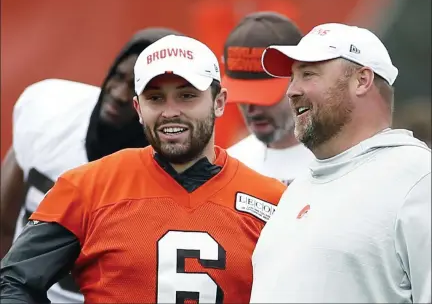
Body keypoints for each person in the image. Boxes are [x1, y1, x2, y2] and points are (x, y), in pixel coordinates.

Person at [0, 34, 286, 303]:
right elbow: (14, 282)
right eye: (155, 97)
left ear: (219, 102)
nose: (170, 111)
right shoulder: (87, 187)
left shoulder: (272, 200)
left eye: (187, 96)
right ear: (138, 108)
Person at [250, 23, 431, 303]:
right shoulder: (298, 190)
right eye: (292, 78)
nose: (291, 91)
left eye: (308, 74)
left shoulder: (418, 177)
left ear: (361, 81)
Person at [0, 27, 182, 303]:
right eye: (118, 77)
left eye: (136, 88)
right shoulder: (50, 111)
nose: (120, 94)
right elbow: (3, 217)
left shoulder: (176, 161)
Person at [223, 12, 314, 185]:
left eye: (263, 97)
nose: (252, 110)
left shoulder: (348, 161)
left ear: (300, 79)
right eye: (242, 97)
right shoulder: (228, 169)